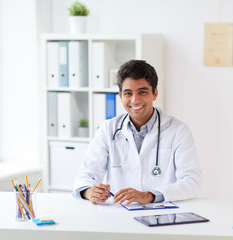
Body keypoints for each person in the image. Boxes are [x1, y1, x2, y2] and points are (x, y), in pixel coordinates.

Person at [73, 59, 202, 205]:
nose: (135, 100)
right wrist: (89, 191)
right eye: (128, 93)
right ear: (121, 96)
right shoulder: (108, 129)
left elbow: (192, 182)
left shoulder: (178, 131)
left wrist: (149, 196)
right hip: (119, 213)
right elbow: (85, 175)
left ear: (154, 94)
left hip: (161, 214)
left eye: (142, 92)